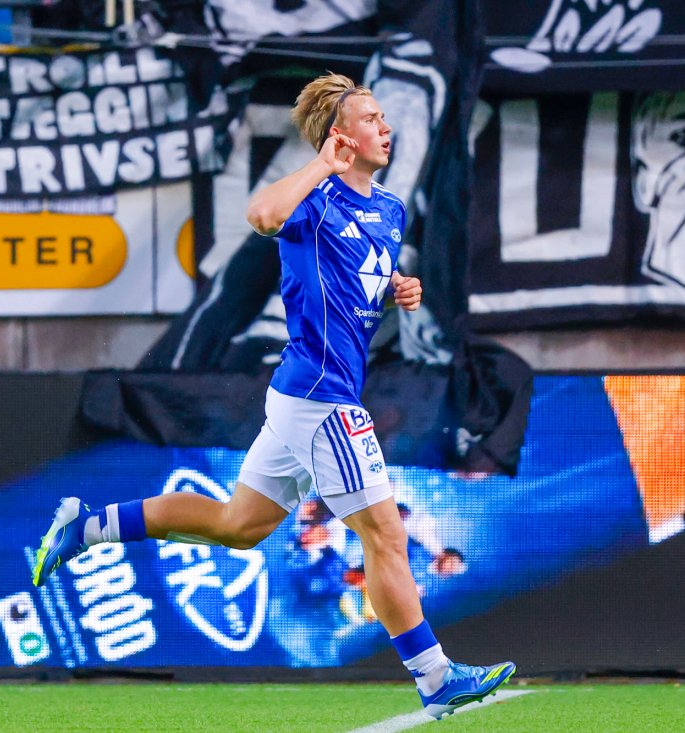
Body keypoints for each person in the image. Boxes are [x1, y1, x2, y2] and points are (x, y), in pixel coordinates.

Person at [30, 72, 514, 719]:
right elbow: (261, 214)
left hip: (303, 396)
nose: (385, 127)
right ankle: (434, 677)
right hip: (322, 397)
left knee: (239, 525)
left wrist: (398, 284)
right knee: (385, 536)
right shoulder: (312, 200)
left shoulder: (390, 210)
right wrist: (318, 164)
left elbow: (363, 264)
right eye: (371, 118)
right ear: (342, 138)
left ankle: (85, 527)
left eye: (381, 117)